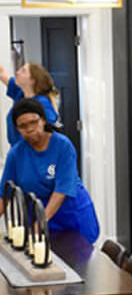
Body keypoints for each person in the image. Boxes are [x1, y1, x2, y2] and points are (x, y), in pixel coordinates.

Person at [0, 98, 99, 243]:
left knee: (77, 261)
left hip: (70, 213)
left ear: (43, 120)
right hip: (39, 213)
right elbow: (4, 194)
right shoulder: (16, 154)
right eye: (23, 126)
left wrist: (40, 223)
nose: (29, 129)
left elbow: (62, 190)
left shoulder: (63, 146)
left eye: (34, 122)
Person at [0, 61, 61, 147]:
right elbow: (1, 72)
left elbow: (48, 137)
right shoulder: (21, 94)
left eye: (23, 71)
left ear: (32, 80)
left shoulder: (43, 104)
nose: (17, 73)